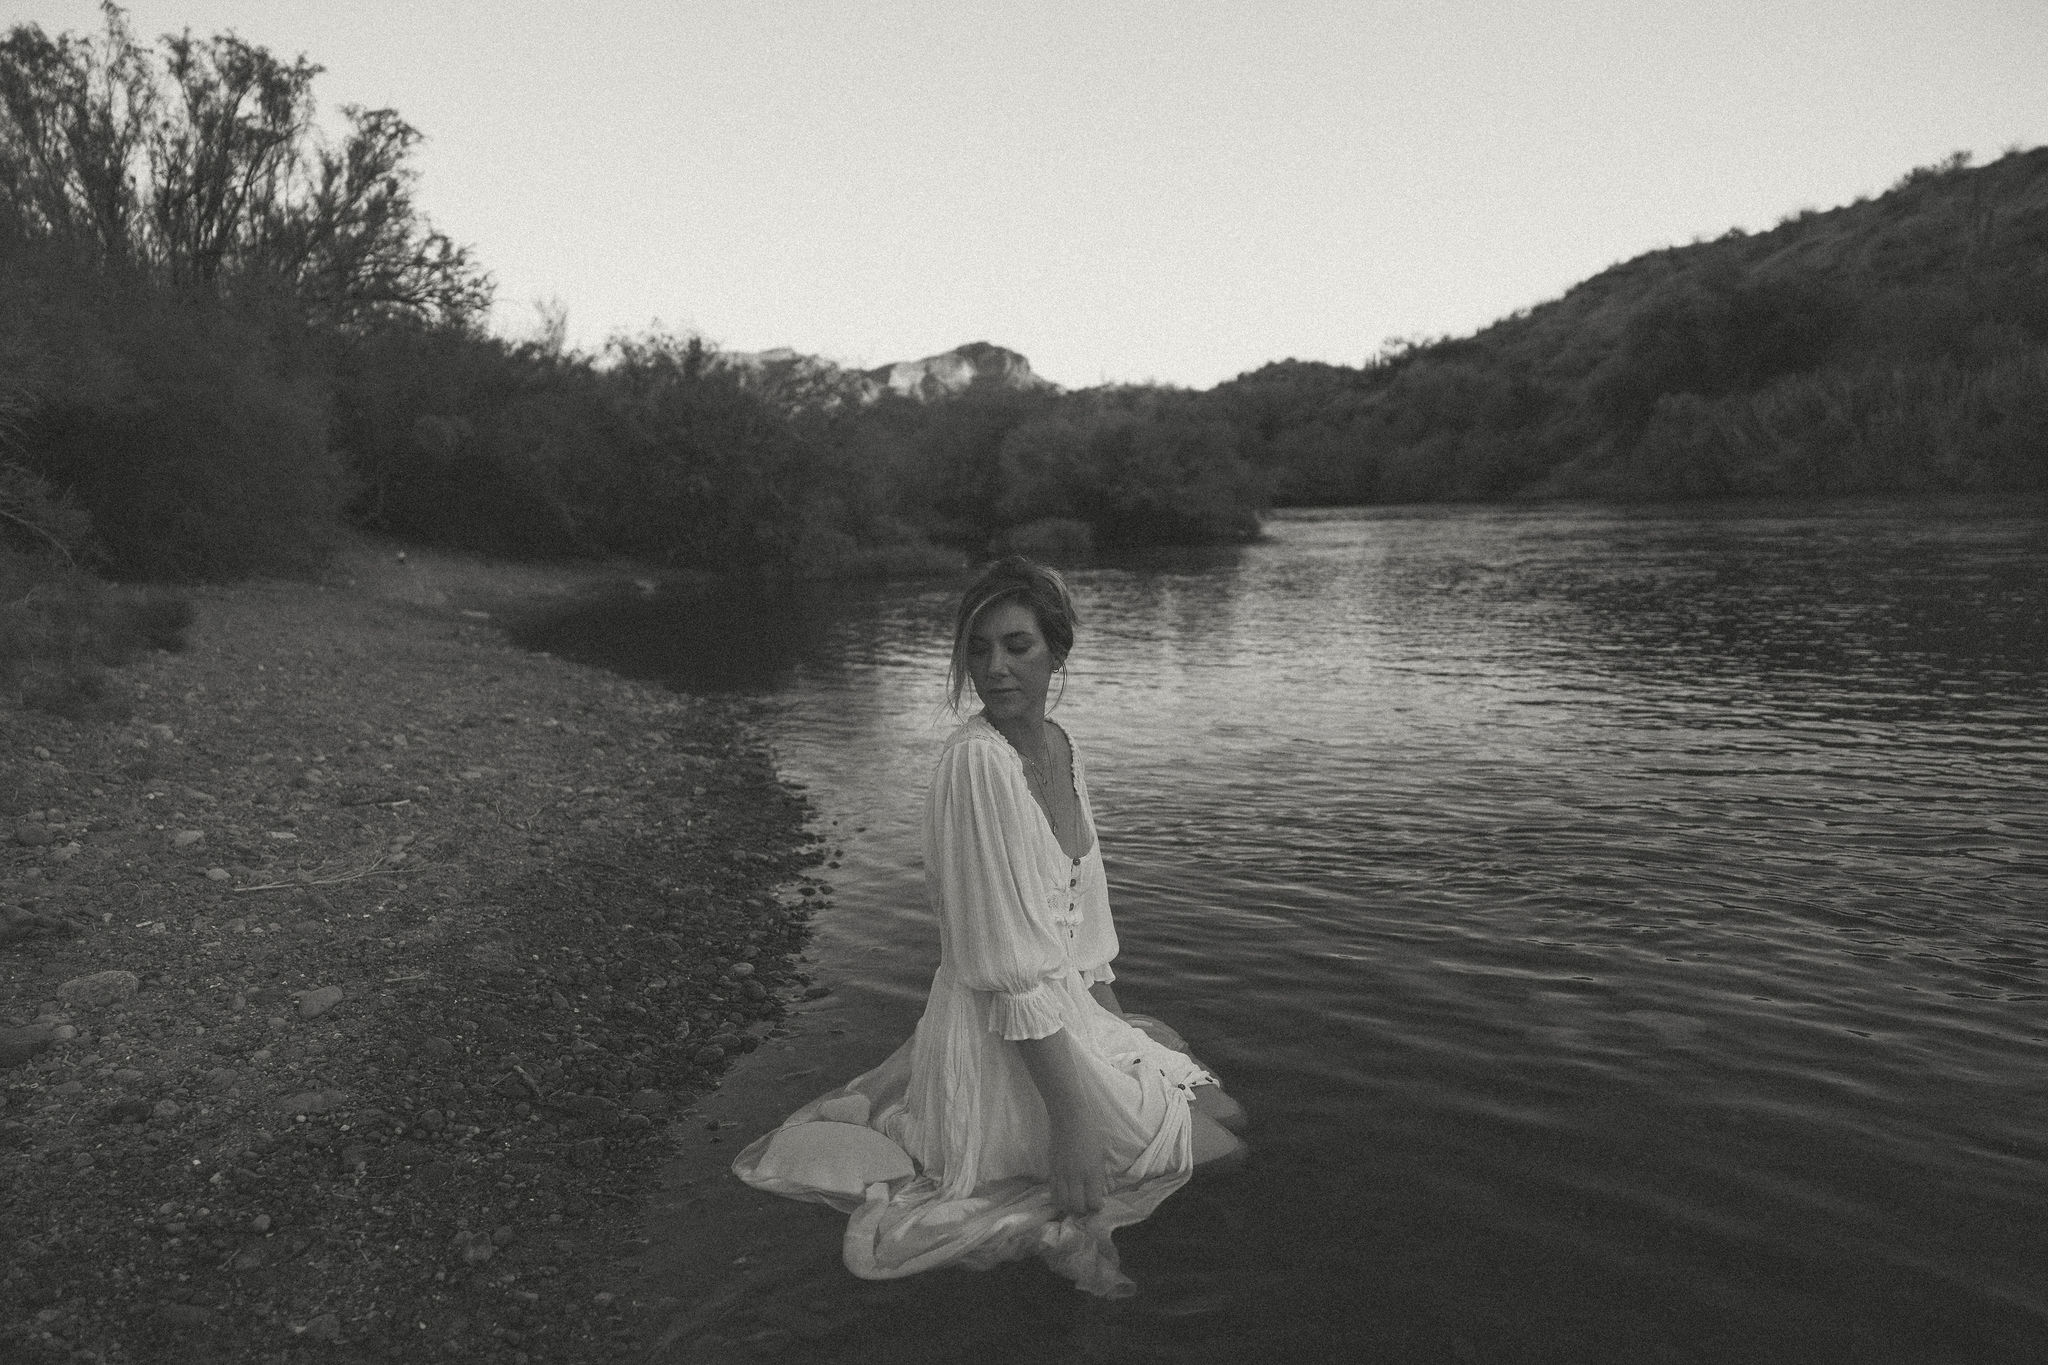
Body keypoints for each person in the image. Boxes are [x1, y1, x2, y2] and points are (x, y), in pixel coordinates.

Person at [732, 556, 1245, 1298]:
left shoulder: (1060, 745)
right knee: (1223, 1152)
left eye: (1017, 645)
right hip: (1003, 1039)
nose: (995, 668)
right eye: (978, 649)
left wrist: (1120, 1034)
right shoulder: (977, 766)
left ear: (1056, 651)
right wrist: (1072, 1122)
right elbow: (1004, 970)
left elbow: (1084, 927)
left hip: (1065, 1009)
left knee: (1224, 1110)